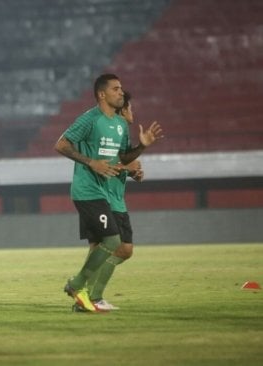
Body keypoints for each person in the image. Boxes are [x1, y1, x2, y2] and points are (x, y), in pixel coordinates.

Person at [54, 74, 163, 312]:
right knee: (111, 242)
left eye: (121, 88)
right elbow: (61, 144)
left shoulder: (121, 124)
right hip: (88, 190)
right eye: (116, 89)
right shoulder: (90, 119)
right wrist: (91, 162)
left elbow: (122, 157)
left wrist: (142, 147)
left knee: (123, 248)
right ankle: (79, 286)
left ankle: (89, 297)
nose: (121, 93)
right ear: (102, 94)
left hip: (109, 193)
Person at [77, 91, 145, 312]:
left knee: (119, 249)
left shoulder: (120, 133)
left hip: (115, 198)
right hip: (99, 196)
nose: (131, 112)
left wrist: (132, 172)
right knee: (108, 247)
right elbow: (105, 163)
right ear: (123, 110)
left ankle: (87, 296)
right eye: (130, 108)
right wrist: (128, 167)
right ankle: (88, 297)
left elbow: (120, 161)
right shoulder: (102, 128)